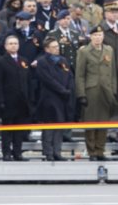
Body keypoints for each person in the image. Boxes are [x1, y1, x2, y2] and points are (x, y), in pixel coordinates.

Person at [75, 26, 116, 161]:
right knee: (91, 122)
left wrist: (114, 90)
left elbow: (113, 73)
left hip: (106, 90)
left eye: (100, 35)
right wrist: (81, 94)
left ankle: (100, 151)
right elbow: (80, 75)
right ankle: (92, 152)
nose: (98, 38)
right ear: (90, 37)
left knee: (104, 122)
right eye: (95, 35)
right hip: (91, 90)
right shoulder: (85, 52)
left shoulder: (109, 50)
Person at [0, 34, 32, 161]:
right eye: (10, 43)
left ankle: (17, 152)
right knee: (7, 129)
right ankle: (6, 152)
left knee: (19, 130)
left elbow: (28, 81)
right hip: (8, 101)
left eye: (15, 43)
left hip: (22, 101)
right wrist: (0, 101)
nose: (13, 45)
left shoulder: (24, 61)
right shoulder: (1, 62)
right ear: (5, 46)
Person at [35, 37, 74, 160]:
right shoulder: (42, 62)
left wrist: (68, 89)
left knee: (59, 127)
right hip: (49, 98)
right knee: (49, 126)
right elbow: (47, 80)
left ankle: (57, 151)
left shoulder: (63, 60)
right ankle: (48, 152)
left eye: (58, 46)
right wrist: (62, 90)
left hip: (63, 98)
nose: (57, 49)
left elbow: (69, 76)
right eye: (54, 47)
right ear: (47, 49)